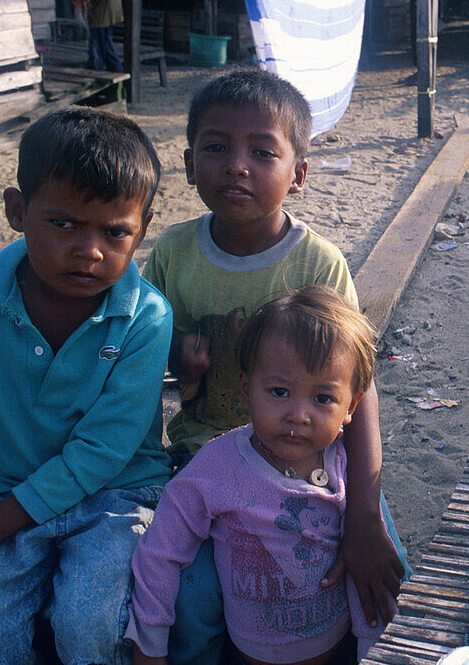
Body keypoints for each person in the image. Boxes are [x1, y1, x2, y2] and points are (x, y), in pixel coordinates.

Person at [142, 67, 407, 664]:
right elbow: (140, 351)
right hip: (207, 454)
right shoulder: (172, 255)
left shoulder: (319, 263)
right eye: (216, 148)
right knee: (196, 595)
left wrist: (364, 515)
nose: (237, 165)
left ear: (298, 175)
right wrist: (176, 353)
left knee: (383, 571)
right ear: (188, 165)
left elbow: (358, 388)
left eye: (262, 152)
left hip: (316, 456)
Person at [0, 107, 172, 664]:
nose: (90, 251)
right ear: (17, 210)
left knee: (90, 625)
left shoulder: (145, 318)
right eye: (63, 224)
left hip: (119, 495)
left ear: (143, 226)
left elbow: (106, 450)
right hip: (12, 484)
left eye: (115, 233)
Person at [127, 288, 394, 665]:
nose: (298, 415)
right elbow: (160, 553)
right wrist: (150, 647)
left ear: (351, 407)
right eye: (279, 392)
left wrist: (371, 652)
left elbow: (366, 589)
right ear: (245, 389)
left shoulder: (346, 466)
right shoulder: (216, 468)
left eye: (322, 399)